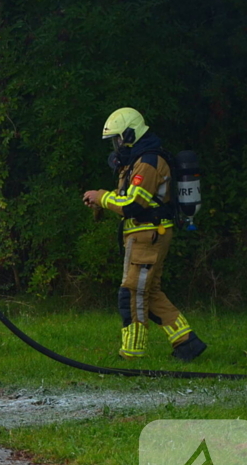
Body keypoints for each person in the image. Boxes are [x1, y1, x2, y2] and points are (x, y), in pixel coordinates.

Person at [82, 107, 207, 362]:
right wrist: (102, 200)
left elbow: (133, 205)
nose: (117, 145)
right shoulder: (138, 160)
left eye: (118, 139)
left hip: (148, 235)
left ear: (130, 134)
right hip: (144, 236)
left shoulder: (148, 162)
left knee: (131, 293)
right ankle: (187, 343)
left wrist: (102, 197)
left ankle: (131, 353)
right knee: (150, 292)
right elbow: (127, 199)